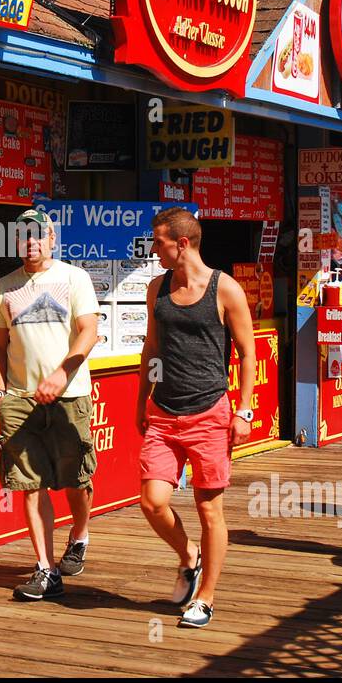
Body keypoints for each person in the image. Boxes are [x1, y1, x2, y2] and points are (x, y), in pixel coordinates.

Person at [135, 207, 255, 629]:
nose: (154, 249)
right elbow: (152, 349)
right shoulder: (158, 288)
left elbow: (247, 353)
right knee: (152, 501)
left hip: (209, 412)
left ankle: (204, 598)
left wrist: (244, 410)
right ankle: (188, 556)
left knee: (210, 509)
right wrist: (141, 401)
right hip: (163, 413)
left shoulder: (226, 290)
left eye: (159, 242)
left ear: (182, 244)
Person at [0, 207, 100, 601]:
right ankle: (45, 570)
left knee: (75, 481)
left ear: (52, 239)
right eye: (23, 235)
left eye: (38, 235)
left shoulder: (74, 278)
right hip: (20, 401)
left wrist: (62, 374)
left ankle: (80, 534)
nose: (31, 241)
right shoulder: (4, 288)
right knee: (30, 485)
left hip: (70, 397)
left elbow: (89, 331)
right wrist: (1, 394)